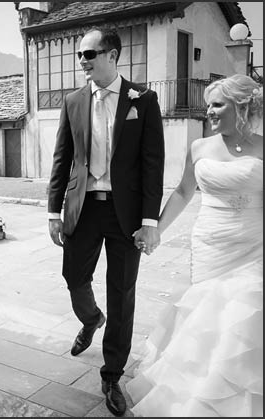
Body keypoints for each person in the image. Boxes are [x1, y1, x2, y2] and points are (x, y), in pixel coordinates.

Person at [126, 75, 263, 416]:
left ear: (242, 106)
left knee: (244, 317)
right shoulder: (199, 147)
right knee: (209, 319)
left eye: (217, 105)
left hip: (254, 247)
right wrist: (153, 228)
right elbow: (185, 192)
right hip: (210, 246)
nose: (209, 113)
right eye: (208, 106)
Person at [47, 28, 165, 416]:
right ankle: (91, 318)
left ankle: (112, 373)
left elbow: (152, 163)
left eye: (89, 53)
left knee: (122, 292)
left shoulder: (142, 100)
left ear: (112, 55)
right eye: (79, 55)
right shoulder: (73, 100)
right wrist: (53, 211)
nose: (82, 60)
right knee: (73, 276)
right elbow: (62, 158)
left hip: (126, 213)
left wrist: (150, 220)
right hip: (83, 208)